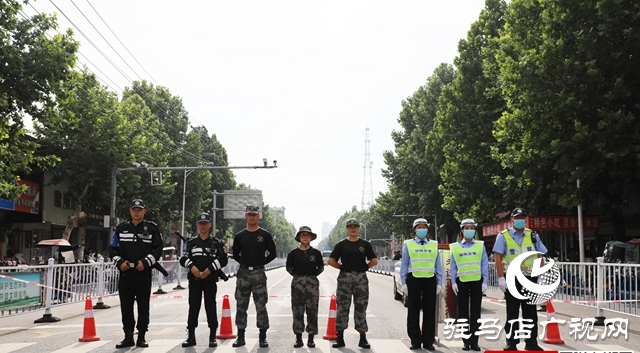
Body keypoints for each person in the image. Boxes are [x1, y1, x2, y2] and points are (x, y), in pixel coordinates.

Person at [109, 199, 163, 349]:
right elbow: (113, 249)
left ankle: (142, 336)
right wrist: (120, 263)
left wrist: (145, 263)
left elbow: (157, 249)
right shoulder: (121, 228)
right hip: (126, 274)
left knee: (143, 306)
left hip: (143, 273)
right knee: (126, 306)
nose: (137, 212)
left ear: (144, 211)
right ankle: (128, 336)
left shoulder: (152, 228)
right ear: (130, 211)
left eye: (139, 209)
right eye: (134, 209)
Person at [493, 207, 547, 351]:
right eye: (517, 218)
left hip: (530, 278)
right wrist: (500, 278)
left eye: (522, 218)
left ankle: (531, 342)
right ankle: (511, 342)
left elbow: (540, 255)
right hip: (511, 278)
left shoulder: (533, 235)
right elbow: (498, 257)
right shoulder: (503, 236)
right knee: (512, 311)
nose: (520, 221)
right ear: (511, 220)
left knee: (530, 311)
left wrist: (540, 276)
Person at [327, 218, 378, 349]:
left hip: (361, 277)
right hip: (345, 277)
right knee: (342, 307)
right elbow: (331, 260)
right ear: (347, 229)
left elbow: (374, 260)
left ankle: (362, 338)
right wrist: (342, 268)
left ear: (359, 228)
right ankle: (340, 337)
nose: (353, 229)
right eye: (350, 227)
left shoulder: (364, 244)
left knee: (361, 307)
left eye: (355, 226)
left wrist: (364, 268)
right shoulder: (341, 244)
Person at [180, 213, 228, 348]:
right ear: (197, 225)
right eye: (200, 223)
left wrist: (209, 269)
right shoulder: (190, 243)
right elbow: (183, 258)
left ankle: (212, 336)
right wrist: (192, 267)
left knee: (210, 307)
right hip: (195, 279)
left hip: (210, 279)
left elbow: (223, 259)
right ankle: (191, 336)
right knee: (193, 307)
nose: (203, 225)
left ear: (210, 225)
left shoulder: (217, 243)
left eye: (205, 223)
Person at [231, 205, 277, 348]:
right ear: (245, 216)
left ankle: (262, 337)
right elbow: (235, 254)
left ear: (258, 216)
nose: (252, 217)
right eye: (249, 214)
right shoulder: (240, 236)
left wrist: (261, 262)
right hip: (243, 273)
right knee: (241, 305)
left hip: (259, 273)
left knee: (261, 305)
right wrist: (245, 263)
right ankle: (240, 336)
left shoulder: (265, 235)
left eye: (254, 214)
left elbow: (273, 253)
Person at [400, 218, 443, 351]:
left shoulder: (434, 244)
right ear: (414, 229)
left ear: (427, 229)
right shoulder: (408, 244)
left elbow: (438, 265)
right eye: (419, 227)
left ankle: (428, 341)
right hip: (414, 279)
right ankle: (415, 340)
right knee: (413, 310)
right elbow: (404, 264)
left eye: (424, 227)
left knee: (429, 311)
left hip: (430, 280)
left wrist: (439, 283)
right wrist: (404, 282)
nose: (422, 229)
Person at [450, 219, 489, 351]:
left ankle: (475, 341)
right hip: (462, 282)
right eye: (466, 228)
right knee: (462, 312)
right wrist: (454, 282)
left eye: (471, 228)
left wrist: (485, 281)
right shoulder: (455, 247)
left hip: (477, 281)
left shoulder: (480, 245)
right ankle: (466, 341)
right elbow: (453, 266)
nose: (469, 230)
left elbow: (484, 263)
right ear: (462, 230)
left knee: (476, 312)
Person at [286, 226, 324, 348]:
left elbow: (321, 268)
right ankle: (298, 338)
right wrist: (299, 278)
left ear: (311, 237)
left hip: (312, 282)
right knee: (297, 310)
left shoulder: (316, 253)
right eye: (303, 235)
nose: (305, 237)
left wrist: (311, 277)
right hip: (297, 282)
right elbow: (289, 268)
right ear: (299, 237)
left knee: (312, 310)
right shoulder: (293, 253)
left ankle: (311, 338)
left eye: (307, 235)